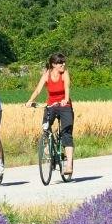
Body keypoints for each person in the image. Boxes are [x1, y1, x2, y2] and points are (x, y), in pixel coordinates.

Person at [28, 50, 74, 179]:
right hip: (51, 105)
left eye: (64, 62)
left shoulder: (65, 73)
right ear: (53, 64)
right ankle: (48, 146)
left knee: (66, 133)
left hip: (65, 106)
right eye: (60, 63)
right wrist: (30, 100)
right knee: (45, 126)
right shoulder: (47, 74)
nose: (63, 64)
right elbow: (38, 89)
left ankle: (69, 164)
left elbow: (67, 87)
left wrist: (66, 99)